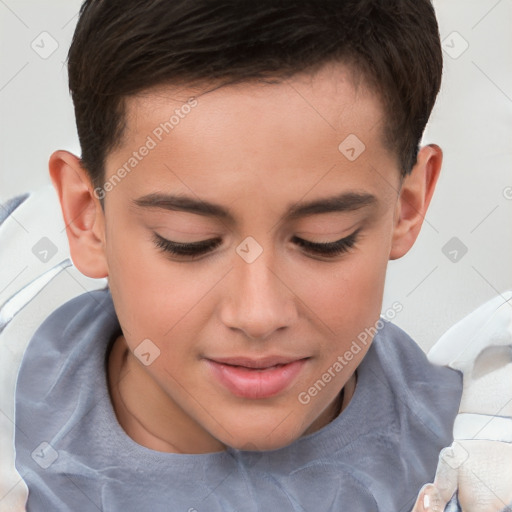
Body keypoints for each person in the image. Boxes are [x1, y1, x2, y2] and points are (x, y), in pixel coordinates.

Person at [8, 0, 467, 510]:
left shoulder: (474, 460)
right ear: (86, 216)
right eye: (187, 241)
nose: (258, 315)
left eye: (325, 239)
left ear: (407, 206)